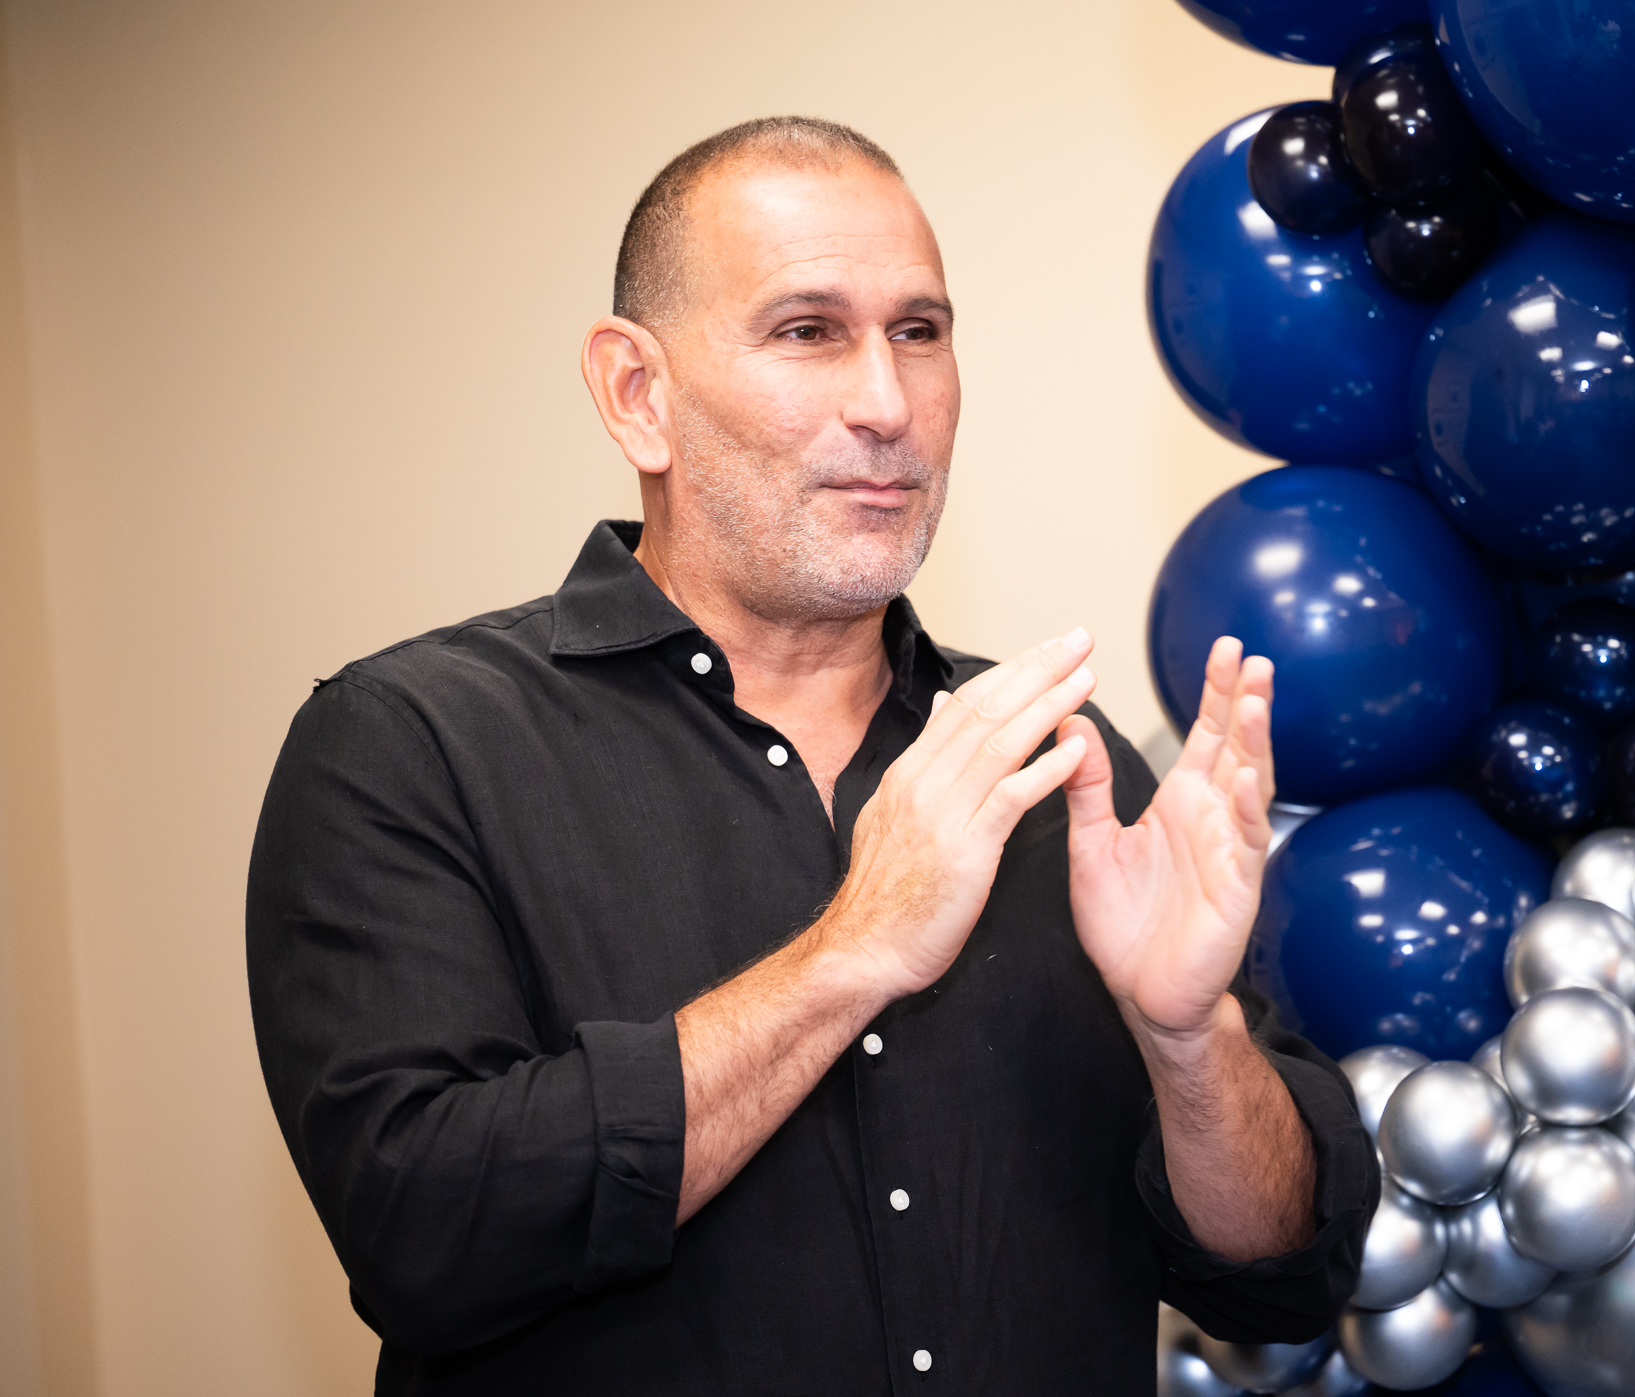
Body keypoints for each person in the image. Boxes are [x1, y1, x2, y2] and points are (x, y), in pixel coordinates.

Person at [247, 115, 1375, 1395]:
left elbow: (1284, 1274)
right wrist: (851, 950)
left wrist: (1187, 1039)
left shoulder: (1059, 766)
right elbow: (425, 1233)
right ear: (637, 394)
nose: (888, 404)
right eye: (807, 331)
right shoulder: (411, 744)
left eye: (919, 331)